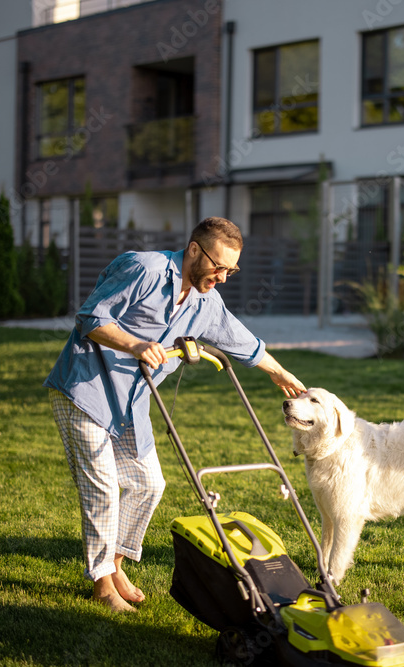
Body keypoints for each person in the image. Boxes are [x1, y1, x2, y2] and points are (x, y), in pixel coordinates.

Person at [44, 217, 306, 612]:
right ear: (195, 250)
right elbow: (91, 318)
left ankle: (115, 566)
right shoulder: (144, 268)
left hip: (132, 403)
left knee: (149, 484)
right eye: (219, 267)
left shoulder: (206, 302)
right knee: (101, 486)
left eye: (231, 270)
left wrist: (280, 373)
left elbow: (241, 340)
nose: (223, 277)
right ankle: (101, 584)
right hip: (87, 390)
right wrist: (134, 344)